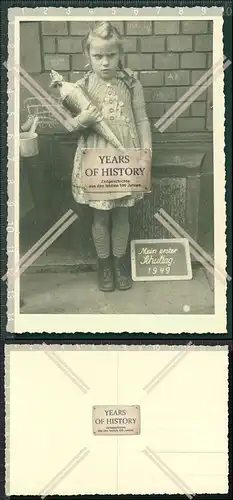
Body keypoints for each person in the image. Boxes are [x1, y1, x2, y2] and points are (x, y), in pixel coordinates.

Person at [69, 21, 152, 292]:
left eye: (111, 55)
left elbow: (141, 119)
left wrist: (146, 152)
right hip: (95, 157)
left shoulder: (131, 84)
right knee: (101, 217)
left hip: (126, 157)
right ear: (88, 56)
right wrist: (83, 118)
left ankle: (119, 263)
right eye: (98, 56)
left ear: (120, 55)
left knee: (122, 215)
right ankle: (104, 265)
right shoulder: (80, 87)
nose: (105, 62)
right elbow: (69, 125)